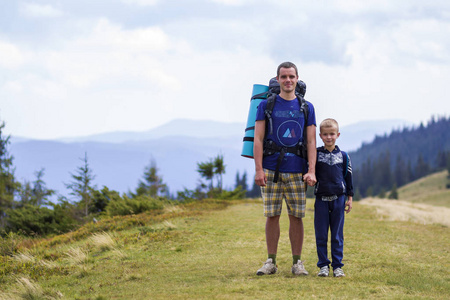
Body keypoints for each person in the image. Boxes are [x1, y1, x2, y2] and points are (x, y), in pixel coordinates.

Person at [254, 62, 317, 276]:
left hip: (298, 170)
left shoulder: (307, 107)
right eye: (284, 76)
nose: (288, 80)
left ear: (297, 78)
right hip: (271, 169)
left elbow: (310, 141)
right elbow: (259, 138)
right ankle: (270, 261)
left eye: (291, 76)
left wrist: (312, 170)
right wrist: (259, 169)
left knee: (296, 217)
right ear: (278, 79)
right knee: (272, 215)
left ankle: (297, 263)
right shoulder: (266, 105)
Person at [314, 118, 353, 277]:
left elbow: (348, 177)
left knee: (337, 235)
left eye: (331, 134)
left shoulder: (344, 156)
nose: (328, 137)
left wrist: (350, 197)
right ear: (320, 136)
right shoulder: (315, 154)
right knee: (321, 234)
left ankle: (337, 266)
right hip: (321, 200)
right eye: (325, 134)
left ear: (337, 134)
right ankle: (323, 266)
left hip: (339, 199)